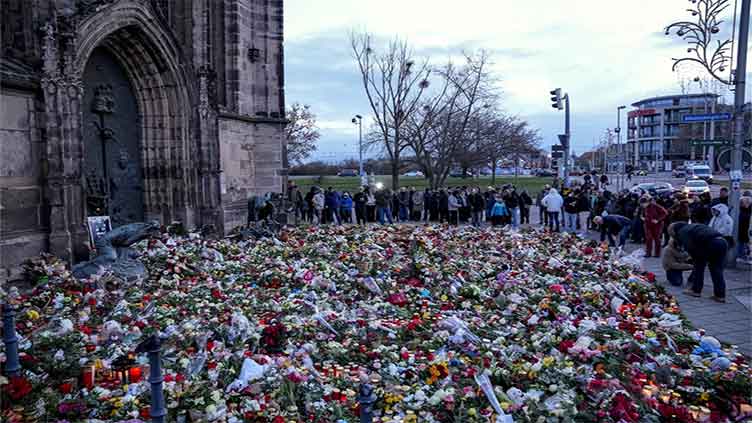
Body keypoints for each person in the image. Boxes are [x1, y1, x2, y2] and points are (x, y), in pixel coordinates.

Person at [669, 222, 727, 302]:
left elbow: (690, 246)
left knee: (698, 266)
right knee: (716, 269)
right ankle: (720, 295)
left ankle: (696, 290)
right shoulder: (692, 226)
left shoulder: (682, 232)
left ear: (674, 231)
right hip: (722, 242)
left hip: (710, 244)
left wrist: (692, 258)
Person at [738, 193, 752, 262]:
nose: (746, 203)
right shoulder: (740, 210)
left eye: (747, 201)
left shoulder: (748, 211)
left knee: (747, 244)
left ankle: (746, 256)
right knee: (742, 244)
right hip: (742, 231)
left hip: (747, 231)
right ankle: (742, 256)